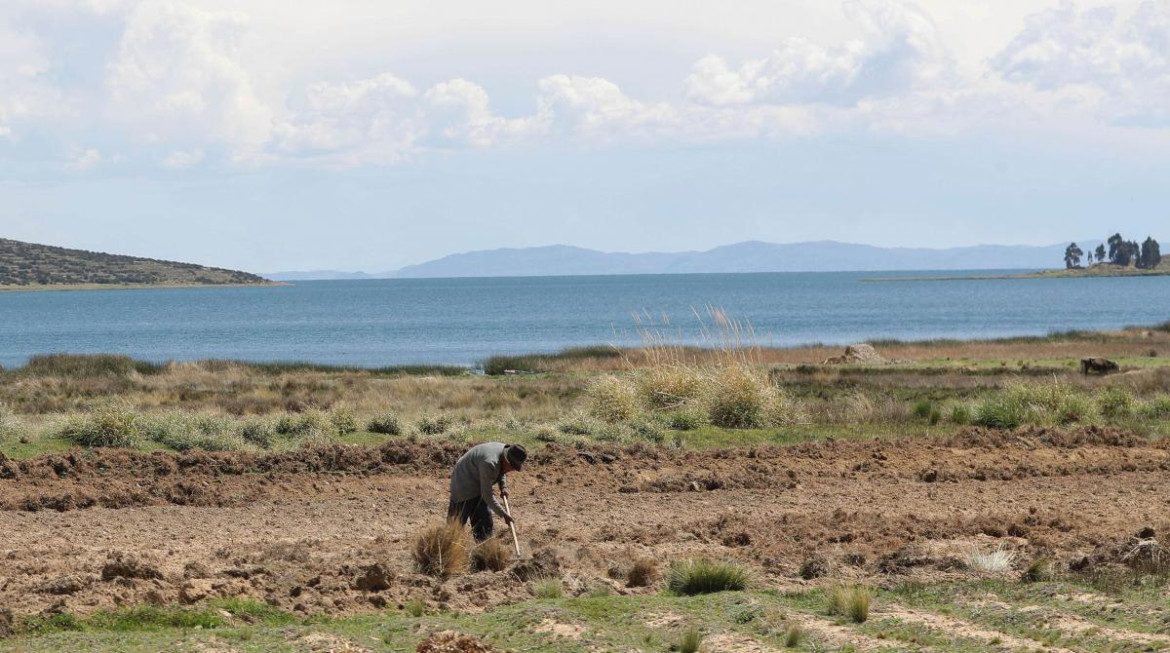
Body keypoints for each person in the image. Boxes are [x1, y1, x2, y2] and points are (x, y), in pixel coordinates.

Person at [447, 442, 527, 541]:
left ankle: (483, 551)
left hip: (479, 481)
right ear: (507, 460)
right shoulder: (489, 463)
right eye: (512, 467)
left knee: (484, 525)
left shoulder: (504, 453)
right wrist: (504, 514)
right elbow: (487, 495)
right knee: (455, 526)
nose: (512, 470)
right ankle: (447, 551)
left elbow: (502, 470)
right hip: (463, 482)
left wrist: (503, 486)